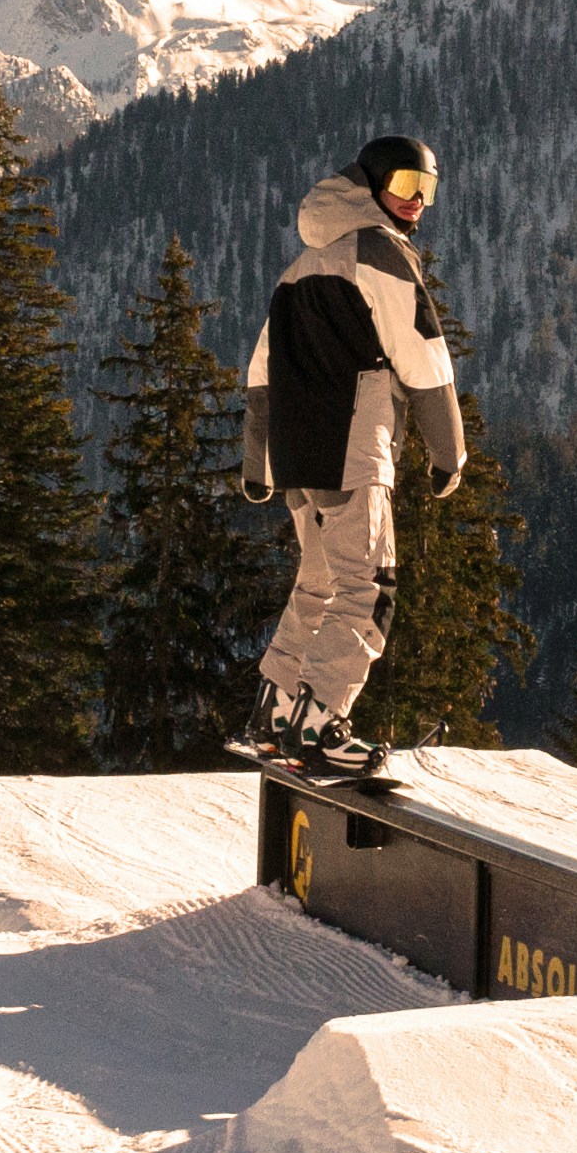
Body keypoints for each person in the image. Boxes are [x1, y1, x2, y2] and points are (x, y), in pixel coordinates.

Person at [239, 134, 463, 776]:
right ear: (368, 185)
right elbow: (423, 355)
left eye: (428, 188)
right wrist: (448, 452)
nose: (416, 202)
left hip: (299, 458)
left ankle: (276, 713)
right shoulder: (381, 253)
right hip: (350, 447)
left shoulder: (300, 267)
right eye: (402, 185)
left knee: (320, 583)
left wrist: (259, 461)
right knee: (370, 588)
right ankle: (321, 724)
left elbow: (261, 370)